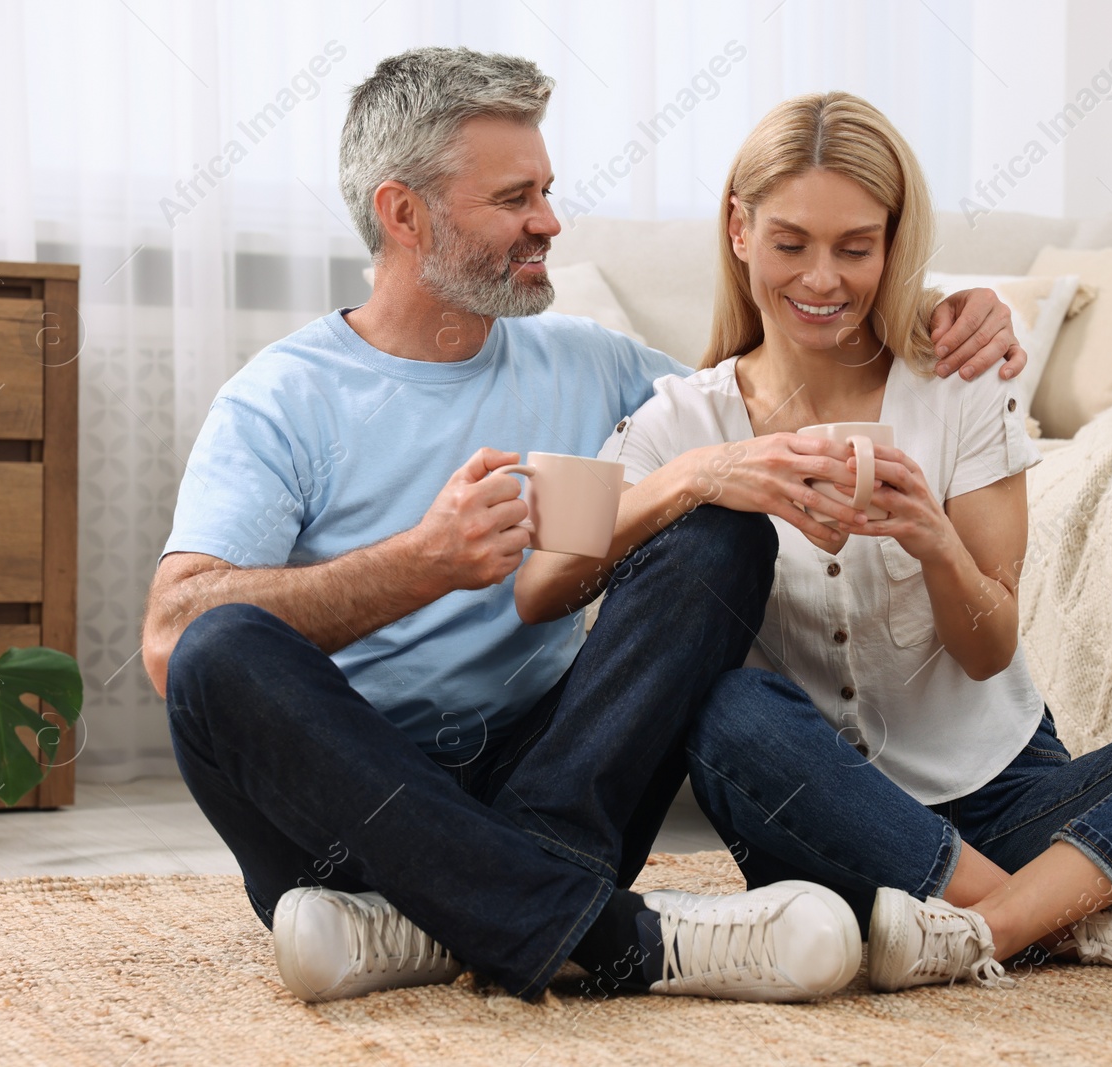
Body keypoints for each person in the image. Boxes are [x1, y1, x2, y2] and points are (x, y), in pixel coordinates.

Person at [142, 49, 1025, 1005]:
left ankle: (444, 917)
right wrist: (420, 564)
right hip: (351, 805)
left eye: (548, 191)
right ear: (404, 214)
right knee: (215, 648)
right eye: (516, 197)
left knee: (717, 534)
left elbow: (760, 392)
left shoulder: (590, 362)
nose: (550, 222)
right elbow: (167, 636)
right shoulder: (280, 397)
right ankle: (628, 936)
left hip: (558, 791)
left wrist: (948, 313)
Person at [515, 90, 1112, 990]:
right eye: (792, 243)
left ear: (894, 242)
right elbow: (537, 583)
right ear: (739, 230)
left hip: (1006, 796)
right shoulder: (681, 413)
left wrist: (935, 540)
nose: (823, 279)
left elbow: (990, 651)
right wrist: (701, 476)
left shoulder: (959, 382)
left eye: (856, 248)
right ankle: (1078, 918)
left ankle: (988, 924)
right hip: (821, 811)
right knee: (729, 715)